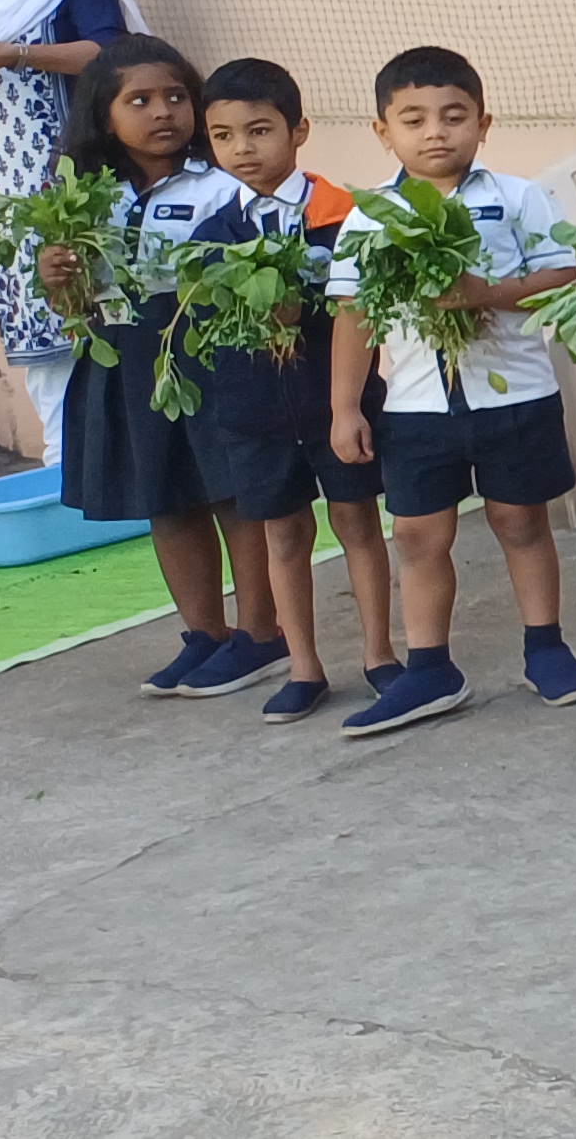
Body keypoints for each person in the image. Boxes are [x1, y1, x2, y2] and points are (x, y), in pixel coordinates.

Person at [326, 47, 576, 737]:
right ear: (384, 132)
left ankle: (547, 647)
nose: (435, 131)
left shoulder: (517, 196)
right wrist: (346, 407)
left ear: (483, 121)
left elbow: (560, 279)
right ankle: (431, 669)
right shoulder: (372, 214)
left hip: (515, 396)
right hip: (415, 405)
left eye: (454, 116)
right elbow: (353, 314)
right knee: (416, 535)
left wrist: (487, 294)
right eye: (413, 119)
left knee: (521, 521)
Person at [43, 37, 276, 701]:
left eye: (176, 96)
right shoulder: (87, 195)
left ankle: (263, 634)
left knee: (233, 494)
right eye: (138, 100)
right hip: (126, 359)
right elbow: (77, 303)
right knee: (166, 501)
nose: (163, 112)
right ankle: (206, 635)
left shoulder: (220, 182)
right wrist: (58, 275)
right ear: (103, 113)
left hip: (208, 353)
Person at [182, 58, 398, 725]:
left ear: (298, 130)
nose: (243, 150)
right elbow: (204, 322)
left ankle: (382, 656)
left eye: (259, 131)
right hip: (253, 413)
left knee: (359, 522)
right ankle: (303, 665)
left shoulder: (344, 220)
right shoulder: (213, 237)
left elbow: (369, 310)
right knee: (281, 536)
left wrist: (305, 316)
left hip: (336, 405)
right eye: (223, 137)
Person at [0, 0, 144, 465]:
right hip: (2, 202)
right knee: (40, 341)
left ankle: (131, 469)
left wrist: (11, 53)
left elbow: (114, 54)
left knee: (107, 320)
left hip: (80, 181)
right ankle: (63, 475)